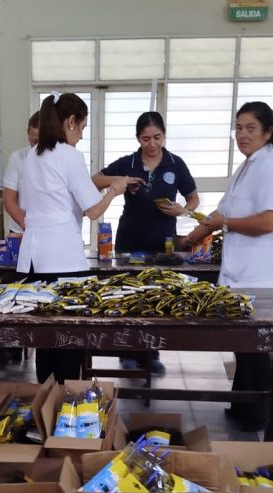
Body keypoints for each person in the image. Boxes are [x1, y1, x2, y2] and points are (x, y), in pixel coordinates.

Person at [182, 101, 273, 432]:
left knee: (257, 349)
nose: (242, 135)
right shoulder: (247, 167)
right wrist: (187, 241)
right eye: (238, 128)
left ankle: (256, 417)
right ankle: (242, 409)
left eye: (250, 128)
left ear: (268, 132)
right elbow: (219, 214)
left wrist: (225, 224)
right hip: (240, 273)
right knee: (245, 349)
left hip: (263, 275)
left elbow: (269, 222)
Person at [17, 92, 138, 383]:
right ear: (71, 121)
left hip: (34, 259)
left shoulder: (32, 156)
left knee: (45, 339)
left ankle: (46, 398)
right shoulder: (69, 156)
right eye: (82, 128)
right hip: (63, 260)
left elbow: (39, 203)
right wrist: (114, 189)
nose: (82, 136)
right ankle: (69, 400)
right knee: (69, 339)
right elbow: (93, 210)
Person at [94, 111, 200, 375]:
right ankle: (127, 352)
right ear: (137, 138)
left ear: (164, 135)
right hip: (130, 239)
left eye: (157, 137)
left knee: (157, 296)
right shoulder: (128, 162)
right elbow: (95, 180)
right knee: (128, 295)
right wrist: (121, 181)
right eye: (145, 139)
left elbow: (193, 198)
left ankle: (151, 353)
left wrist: (183, 210)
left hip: (163, 242)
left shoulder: (175, 164)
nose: (152, 144)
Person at [0, 111, 41, 369]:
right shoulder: (18, 158)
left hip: (47, 237)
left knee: (41, 292)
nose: (35, 146)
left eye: (40, 141)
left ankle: (43, 343)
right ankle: (11, 347)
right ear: (27, 135)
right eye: (32, 140)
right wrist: (27, 226)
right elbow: (9, 200)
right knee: (13, 291)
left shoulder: (60, 159)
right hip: (20, 233)